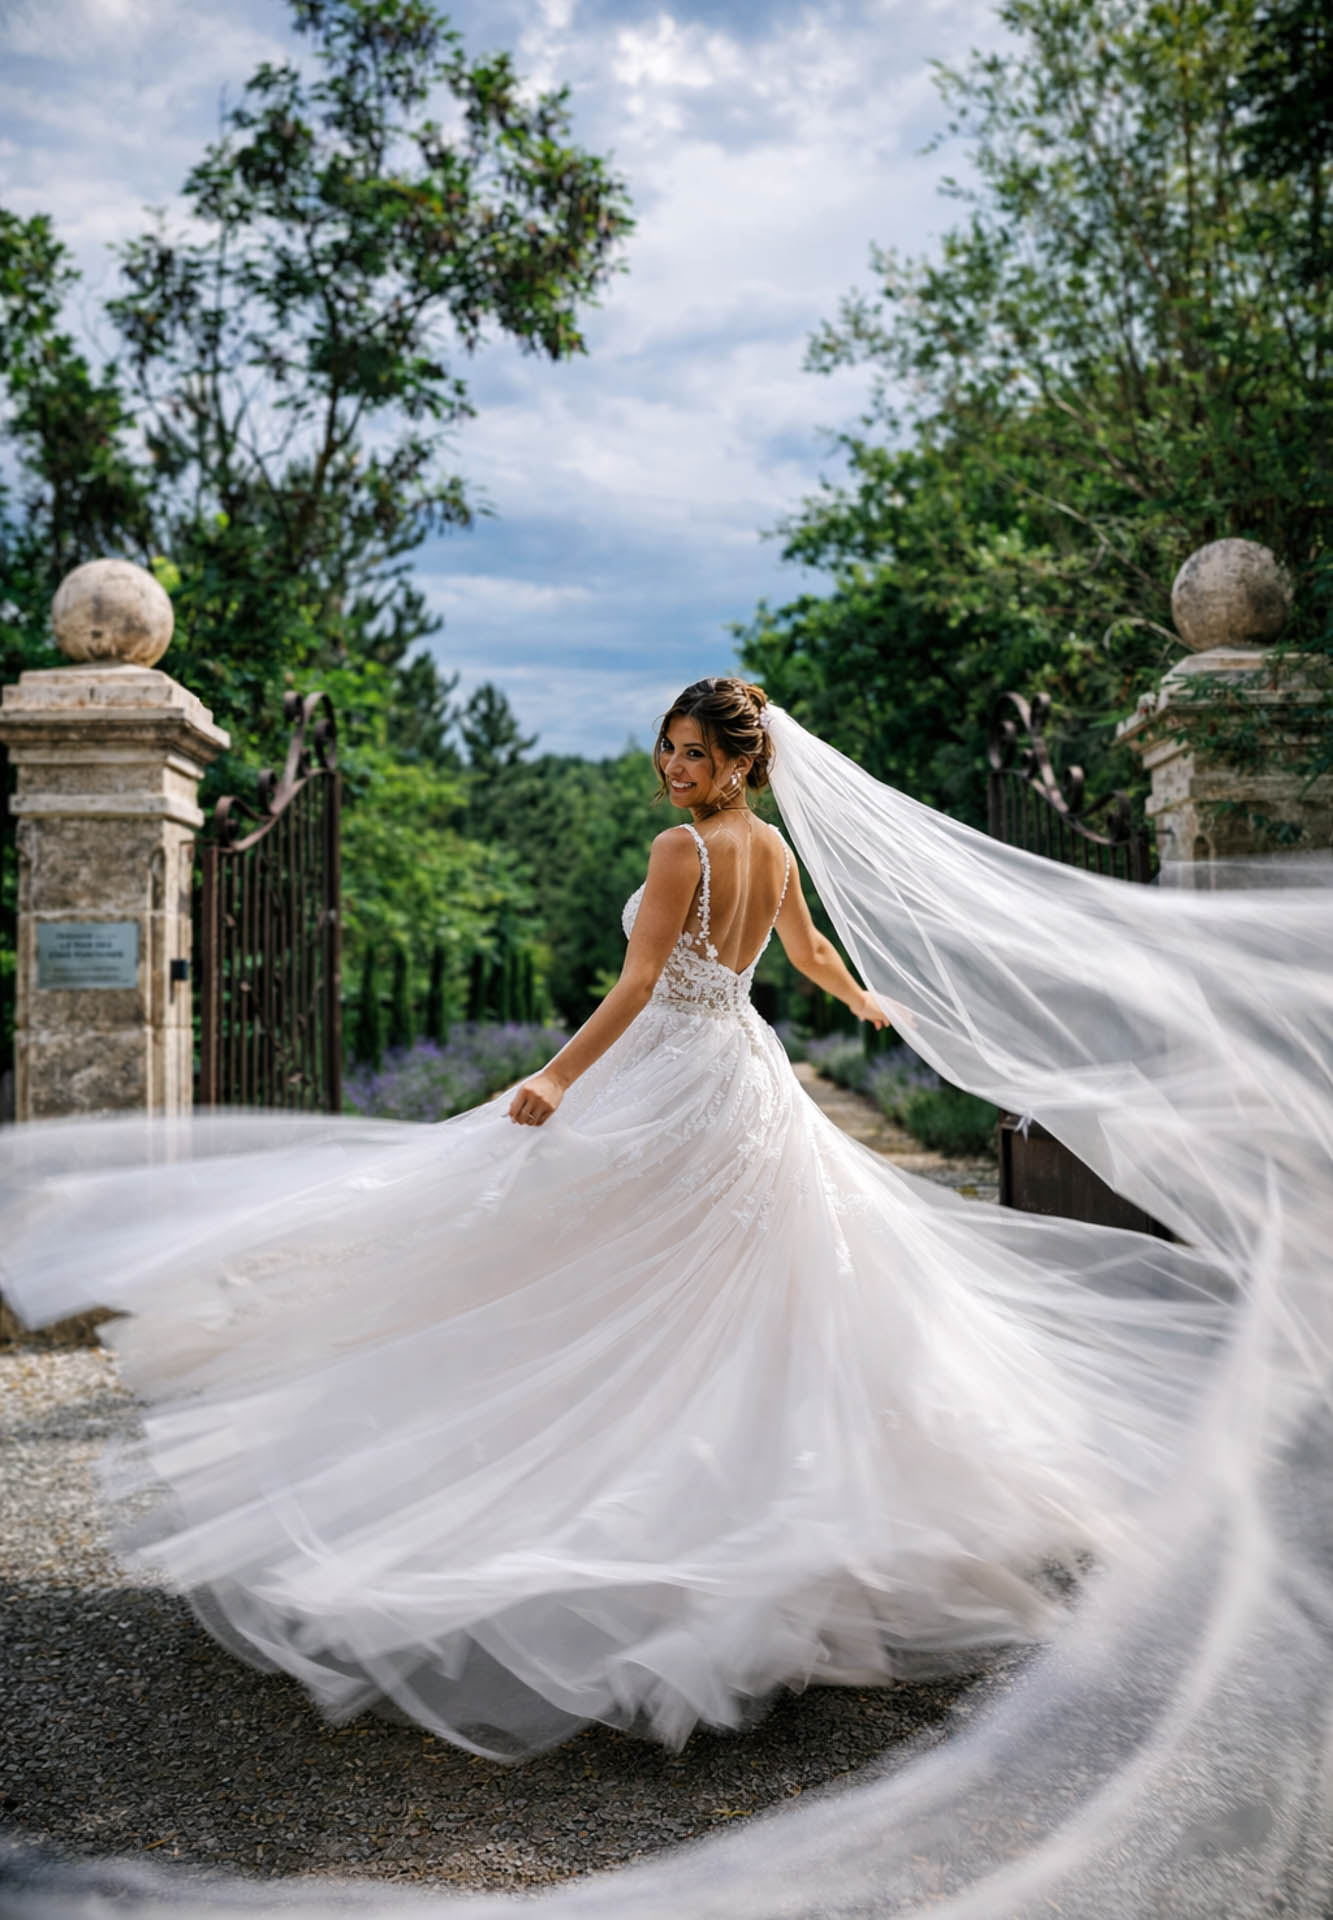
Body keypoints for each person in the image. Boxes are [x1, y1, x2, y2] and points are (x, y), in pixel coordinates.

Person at [0, 676, 1326, 1808]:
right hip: (741, 1075)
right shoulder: (773, 852)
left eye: (692, 754)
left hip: (675, 1073)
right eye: (667, 752)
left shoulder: (680, 853)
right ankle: (764, 1528)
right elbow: (798, 953)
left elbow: (636, 989)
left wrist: (554, 1083)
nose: (670, 769)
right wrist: (861, 998)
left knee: (610, 1272)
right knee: (742, 1287)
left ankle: (649, 1526)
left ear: (738, 761)